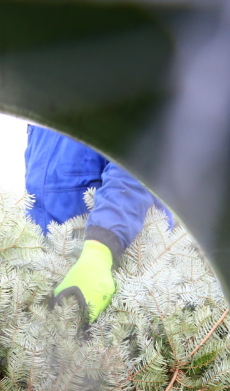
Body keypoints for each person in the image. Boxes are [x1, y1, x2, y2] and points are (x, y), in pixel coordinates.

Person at [25, 126, 171, 325]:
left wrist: (99, 252)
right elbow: (37, 194)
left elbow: (134, 163)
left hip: (122, 271)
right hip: (57, 276)